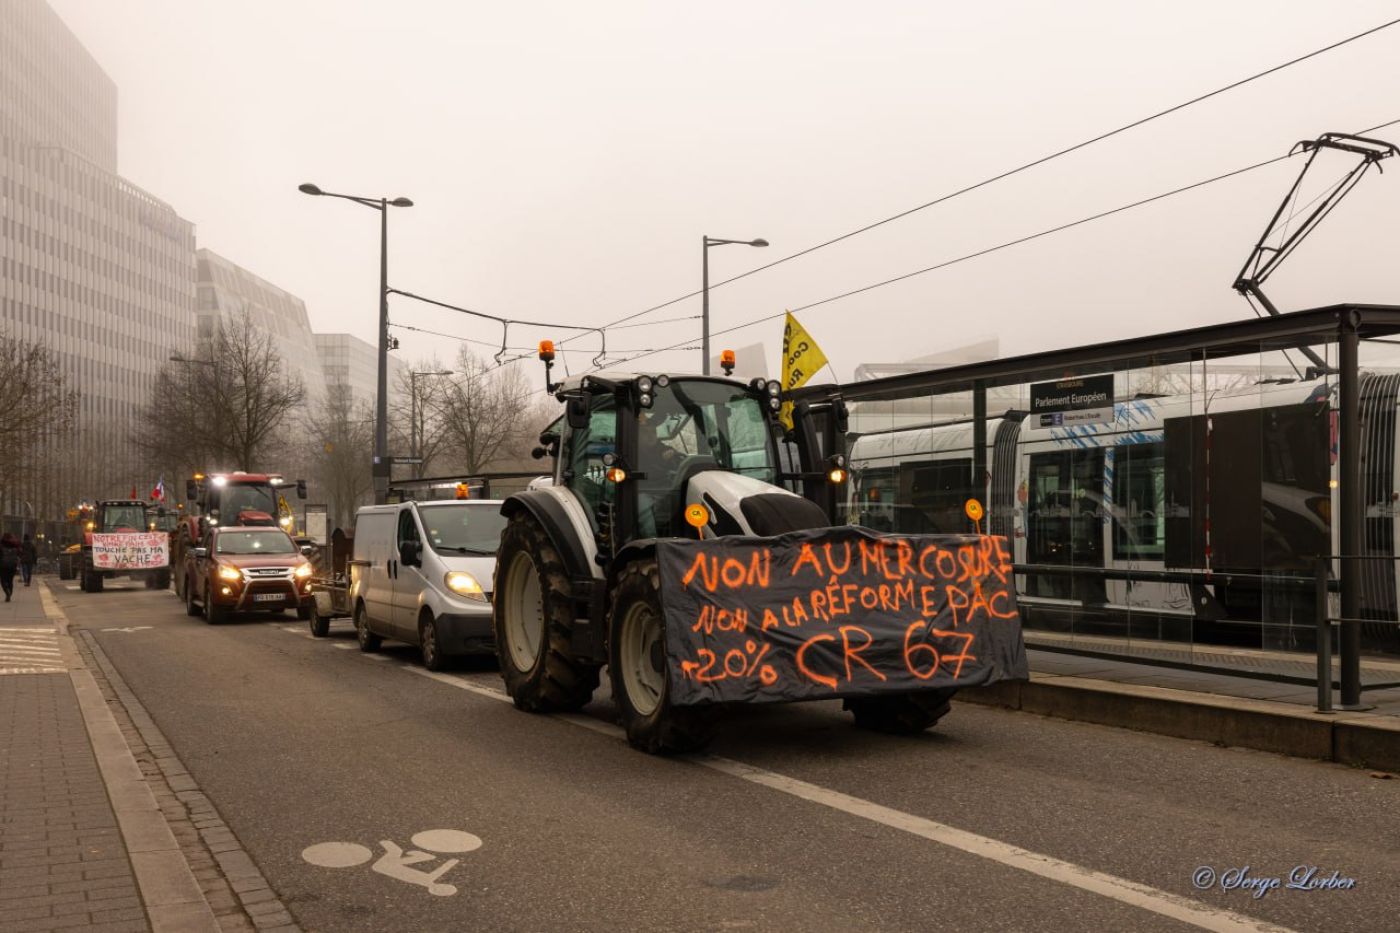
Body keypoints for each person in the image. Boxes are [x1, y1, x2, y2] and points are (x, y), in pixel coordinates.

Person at [0, 533, 19, 602]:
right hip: (13, 565)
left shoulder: (1, 546)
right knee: (10, 580)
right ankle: (9, 593)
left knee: (3, 580)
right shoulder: (15, 545)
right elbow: (19, 553)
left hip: (3, 565)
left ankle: (7, 592)